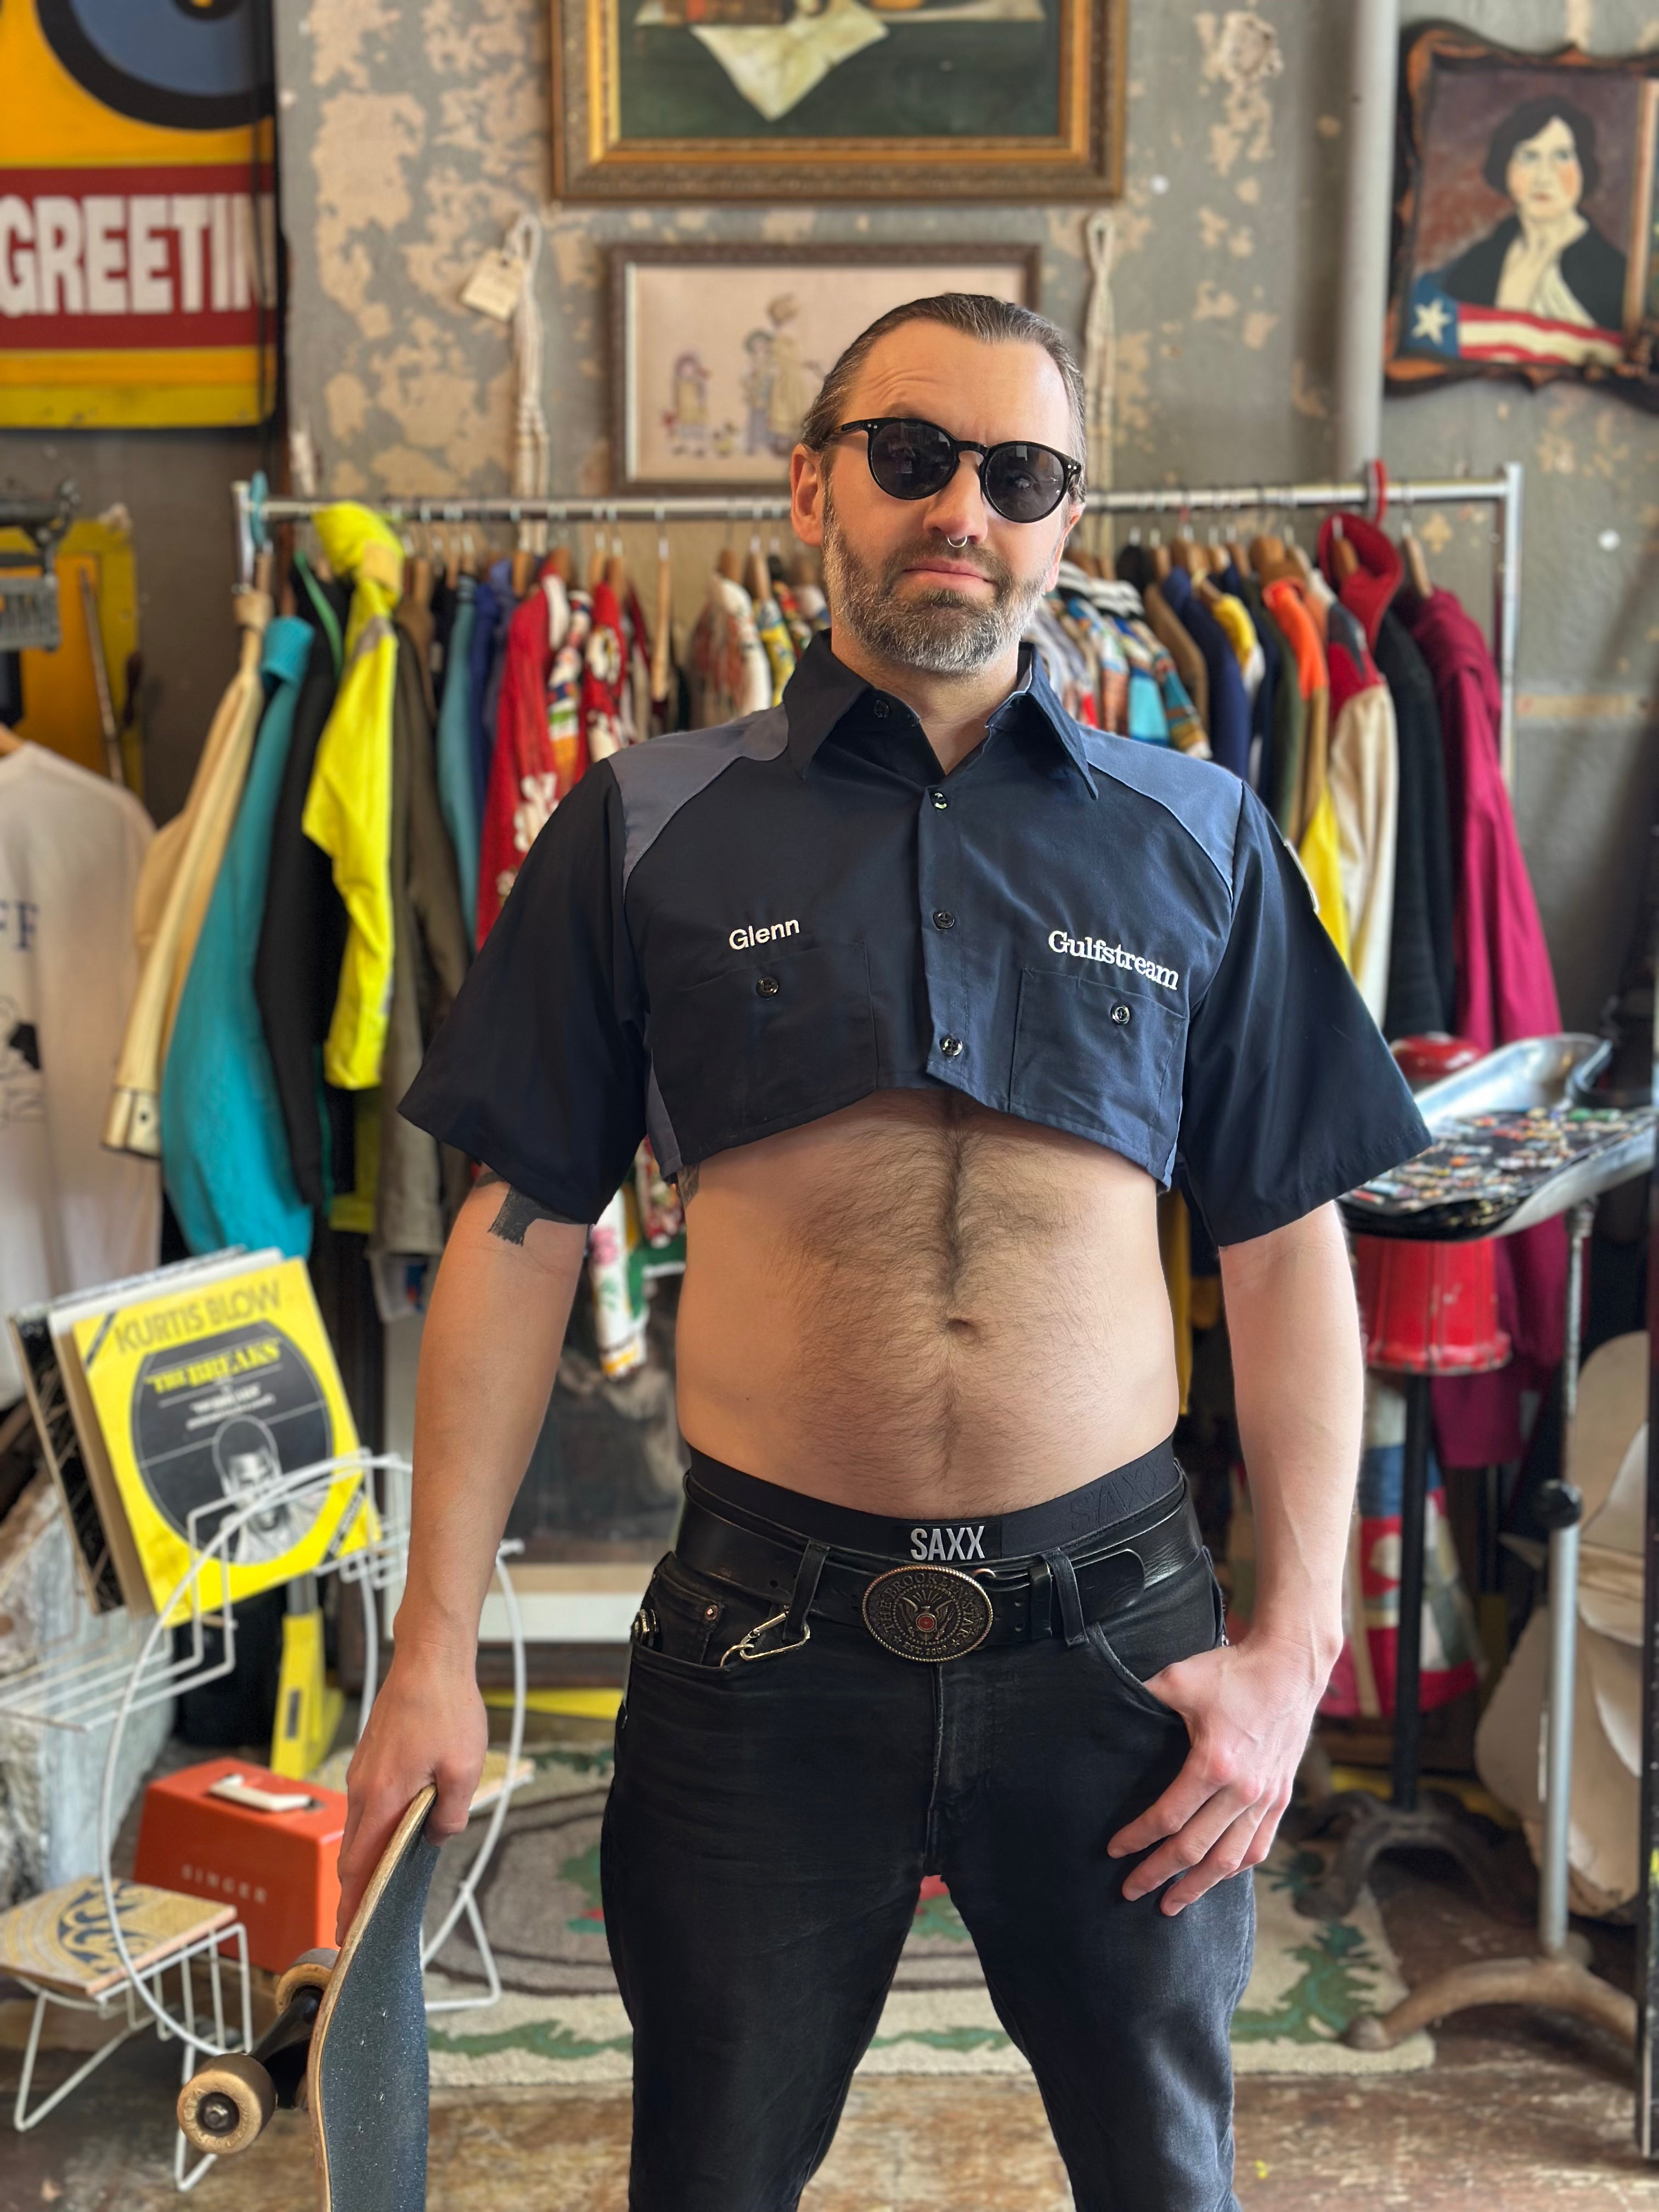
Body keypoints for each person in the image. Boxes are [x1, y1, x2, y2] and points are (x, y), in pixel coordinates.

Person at [341, 294, 1431, 2211]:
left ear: (1064, 523)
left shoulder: (1199, 838)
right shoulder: (642, 827)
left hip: (1118, 1652)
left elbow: (1282, 1246)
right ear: (810, 486)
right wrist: (429, 1650)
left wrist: (1291, 1648)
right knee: (708, 2178)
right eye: (912, 456)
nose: (962, 509)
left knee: (1168, 2181)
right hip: (761, 1653)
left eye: (1018, 475)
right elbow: (516, 1245)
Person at [1436, 95, 1627, 337]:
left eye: (1562, 157)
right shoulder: (1480, 263)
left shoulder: (1613, 274)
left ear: (1584, 168)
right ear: (1505, 168)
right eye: (1529, 157)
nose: (1544, 178)